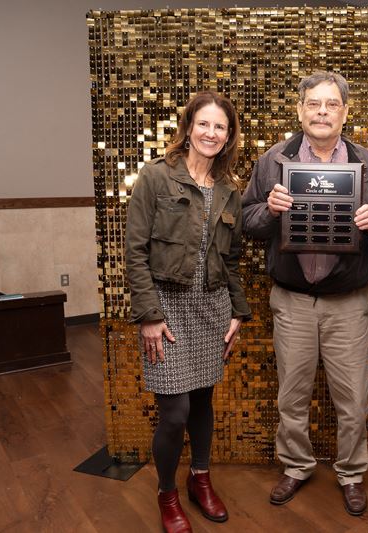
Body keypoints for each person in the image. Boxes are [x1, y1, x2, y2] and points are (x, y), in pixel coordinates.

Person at [241, 71, 368, 516]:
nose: (322, 111)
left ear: (345, 112)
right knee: (291, 393)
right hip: (291, 301)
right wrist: (269, 211)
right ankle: (296, 465)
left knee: (352, 398)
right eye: (314, 103)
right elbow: (249, 223)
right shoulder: (274, 160)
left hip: (347, 302)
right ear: (300, 110)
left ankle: (350, 472)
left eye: (331, 104)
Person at [125, 91, 251, 533]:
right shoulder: (156, 178)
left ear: (229, 134)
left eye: (221, 127)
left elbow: (231, 260)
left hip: (212, 307)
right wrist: (149, 316)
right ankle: (167, 492)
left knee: (202, 400)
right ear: (189, 127)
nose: (211, 133)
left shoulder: (230, 190)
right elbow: (134, 252)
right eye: (204, 124)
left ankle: (200, 477)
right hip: (166, 309)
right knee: (174, 410)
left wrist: (238, 311)